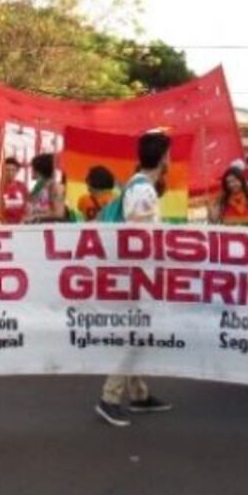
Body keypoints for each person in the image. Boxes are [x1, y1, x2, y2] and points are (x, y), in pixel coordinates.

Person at [96, 133, 173, 428]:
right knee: (137, 333)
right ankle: (109, 397)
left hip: (136, 273)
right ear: (164, 156)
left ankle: (138, 393)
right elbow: (138, 237)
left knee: (137, 330)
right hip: (137, 274)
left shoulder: (140, 186)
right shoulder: (143, 190)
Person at [25, 154, 65, 223]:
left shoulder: (54, 187)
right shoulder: (38, 187)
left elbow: (59, 213)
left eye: (32, 168)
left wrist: (36, 217)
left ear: (38, 169)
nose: (31, 170)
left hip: (49, 229)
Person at [0, 157, 28, 225]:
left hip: (20, 225)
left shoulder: (22, 187)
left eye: (13, 170)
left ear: (17, 171)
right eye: (7, 170)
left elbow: (27, 205)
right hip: (3, 225)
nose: (10, 172)